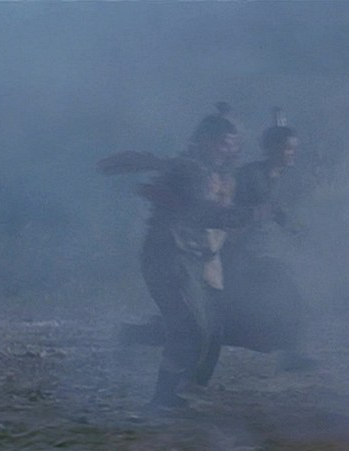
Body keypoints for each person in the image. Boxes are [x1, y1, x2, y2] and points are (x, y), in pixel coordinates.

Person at [98, 104, 253, 408]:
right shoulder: (188, 169)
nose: (229, 150)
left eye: (232, 145)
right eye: (223, 143)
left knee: (206, 327)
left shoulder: (214, 173)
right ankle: (163, 397)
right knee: (189, 327)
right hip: (168, 255)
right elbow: (203, 212)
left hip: (193, 258)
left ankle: (173, 389)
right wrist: (243, 215)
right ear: (206, 140)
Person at [220, 110, 315, 371]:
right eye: (287, 148)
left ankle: (290, 351)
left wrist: (296, 230)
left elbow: (277, 212)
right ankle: (291, 353)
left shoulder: (278, 177)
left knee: (282, 300)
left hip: (260, 252)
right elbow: (233, 211)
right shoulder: (250, 175)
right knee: (288, 296)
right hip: (241, 252)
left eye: (294, 149)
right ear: (272, 149)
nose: (292, 154)